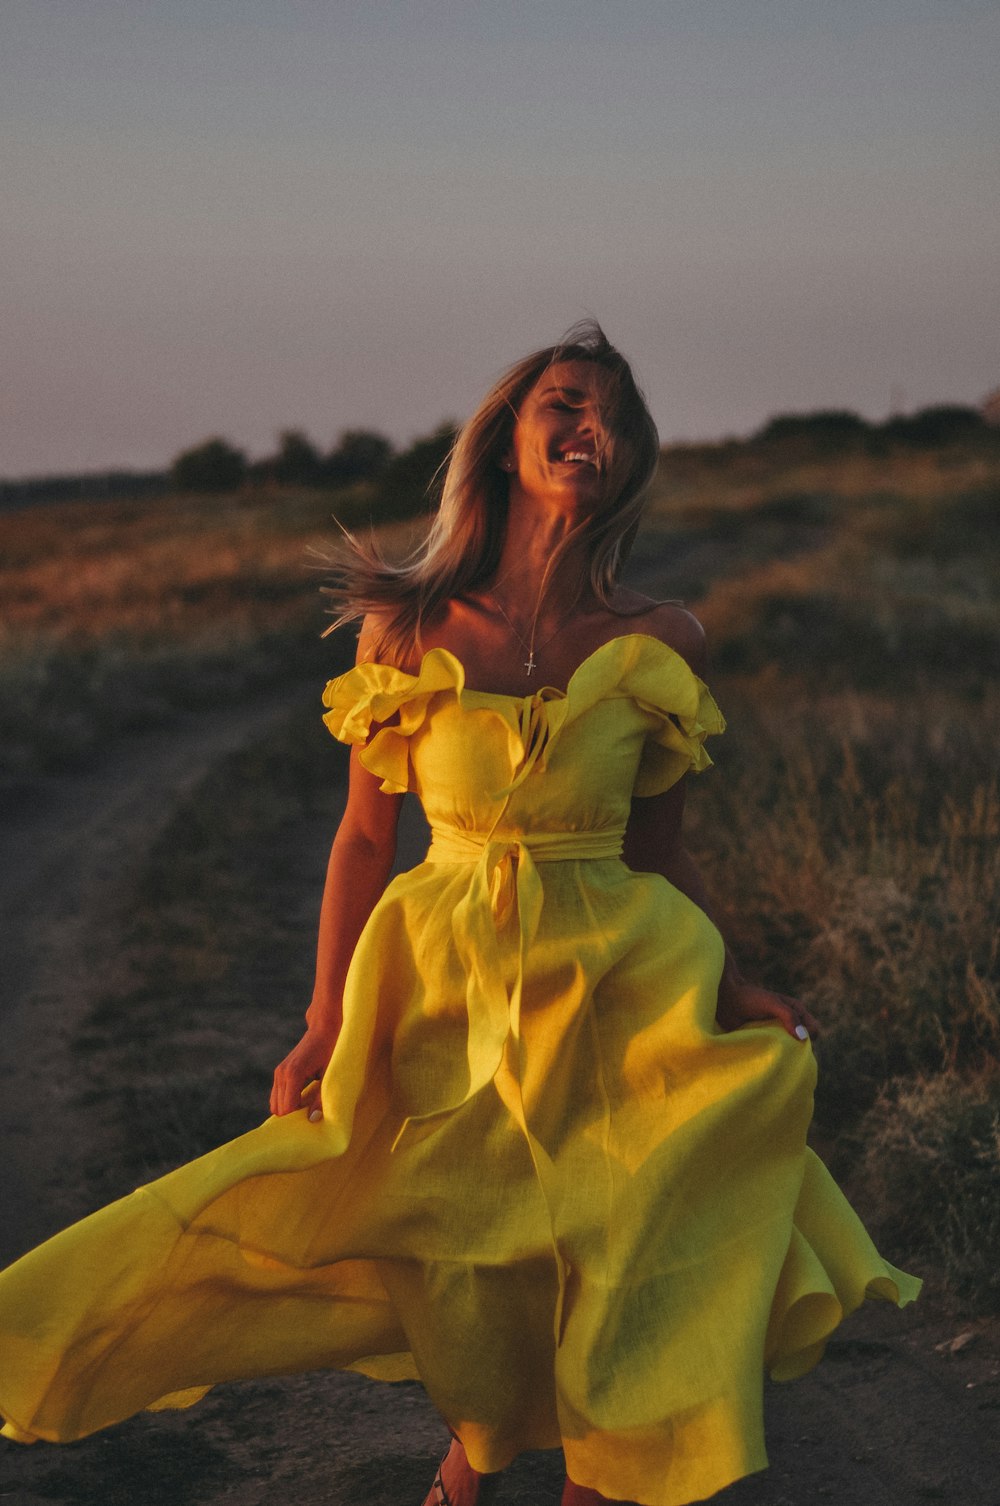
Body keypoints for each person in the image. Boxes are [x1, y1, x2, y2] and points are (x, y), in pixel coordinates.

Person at [0, 323, 919, 1506]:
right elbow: (362, 840)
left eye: (616, 418)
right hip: (444, 970)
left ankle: (604, 1469)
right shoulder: (409, 626)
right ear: (504, 434)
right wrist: (327, 1018)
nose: (592, 429)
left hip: (618, 976)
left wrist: (735, 987)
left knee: (621, 1229)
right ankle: (475, 1448)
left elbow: (662, 850)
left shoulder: (657, 642)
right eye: (566, 401)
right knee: (463, 1248)